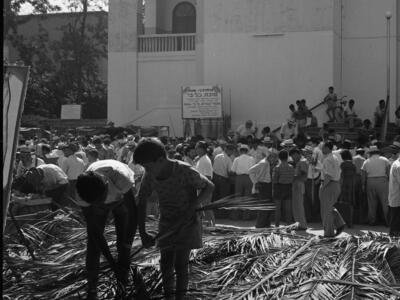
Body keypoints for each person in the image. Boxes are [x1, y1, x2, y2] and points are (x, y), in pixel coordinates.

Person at [134, 138, 214, 300]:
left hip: (187, 222)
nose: (146, 170)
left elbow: (209, 186)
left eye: (147, 166)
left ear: (161, 160)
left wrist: (194, 206)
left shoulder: (184, 170)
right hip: (167, 222)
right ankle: (169, 296)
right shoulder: (150, 175)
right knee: (166, 263)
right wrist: (142, 232)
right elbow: (142, 201)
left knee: (181, 264)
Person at [75, 160, 138, 299]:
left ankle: (123, 286)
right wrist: (111, 262)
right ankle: (91, 289)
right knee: (93, 245)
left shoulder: (120, 178)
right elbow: (94, 231)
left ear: (106, 187)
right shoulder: (82, 192)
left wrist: (127, 244)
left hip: (120, 201)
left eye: (101, 199)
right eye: (96, 202)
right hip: (99, 205)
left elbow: (133, 214)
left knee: (123, 244)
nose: (102, 203)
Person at [319, 141, 346, 237]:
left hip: (329, 185)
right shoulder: (334, 157)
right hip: (334, 184)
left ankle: (329, 233)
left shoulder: (328, 159)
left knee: (326, 210)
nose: (321, 149)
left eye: (323, 147)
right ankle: (340, 224)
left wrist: (323, 187)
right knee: (329, 208)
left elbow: (328, 175)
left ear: (327, 148)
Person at [361, 146, 390, 225]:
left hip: (370, 181)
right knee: (385, 202)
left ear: (370, 153)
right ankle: (388, 221)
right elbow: (388, 172)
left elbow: (363, 175)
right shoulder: (385, 160)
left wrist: (363, 185)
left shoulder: (366, 161)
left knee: (371, 203)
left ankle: (372, 221)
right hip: (382, 181)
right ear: (378, 152)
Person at [231, 144, 255, 220]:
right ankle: (246, 216)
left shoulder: (236, 159)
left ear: (240, 151)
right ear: (247, 151)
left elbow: (233, 171)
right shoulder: (251, 158)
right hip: (249, 178)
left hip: (239, 178)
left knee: (238, 197)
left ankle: (236, 216)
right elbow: (254, 170)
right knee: (247, 197)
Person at [249, 152, 272, 228]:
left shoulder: (268, 163)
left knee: (267, 205)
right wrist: (255, 182)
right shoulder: (263, 163)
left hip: (267, 185)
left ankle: (265, 223)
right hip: (263, 185)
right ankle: (260, 224)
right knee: (264, 206)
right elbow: (251, 171)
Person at [194, 141, 214, 225]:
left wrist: (202, 188)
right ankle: (209, 224)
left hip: (204, 187)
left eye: (197, 148)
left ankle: (211, 225)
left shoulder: (205, 160)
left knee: (206, 207)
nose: (196, 150)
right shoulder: (200, 159)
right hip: (200, 187)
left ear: (202, 149)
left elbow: (208, 177)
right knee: (204, 207)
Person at [272, 150, 294, 227]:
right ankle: (289, 226)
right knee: (288, 209)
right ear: (287, 157)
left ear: (279, 157)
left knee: (278, 209)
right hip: (288, 187)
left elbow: (274, 180)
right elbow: (292, 179)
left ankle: (277, 225)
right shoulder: (291, 167)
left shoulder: (277, 167)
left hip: (279, 187)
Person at [289, 148, 308, 230]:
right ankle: (298, 224)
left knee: (299, 206)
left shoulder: (302, 161)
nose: (292, 158)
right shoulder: (298, 162)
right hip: (296, 183)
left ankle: (302, 225)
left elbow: (304, 173)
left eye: (293, 156)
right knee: (296, 206)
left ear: (296, 154)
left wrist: (294, 177)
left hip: (299, 183)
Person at [338, 150, 356, 227]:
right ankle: (350, 222)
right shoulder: (353, 164)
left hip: (344, 184)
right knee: (350, 204)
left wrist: (339, 186)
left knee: (343, 204)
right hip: (351, 185)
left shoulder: (343, 164)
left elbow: (341, 176)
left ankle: (343, 222)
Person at [388, 147, 400, 236]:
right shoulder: (398, 165)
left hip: (395, 195)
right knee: (396, 218)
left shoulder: (396, 163)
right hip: (397, 196)